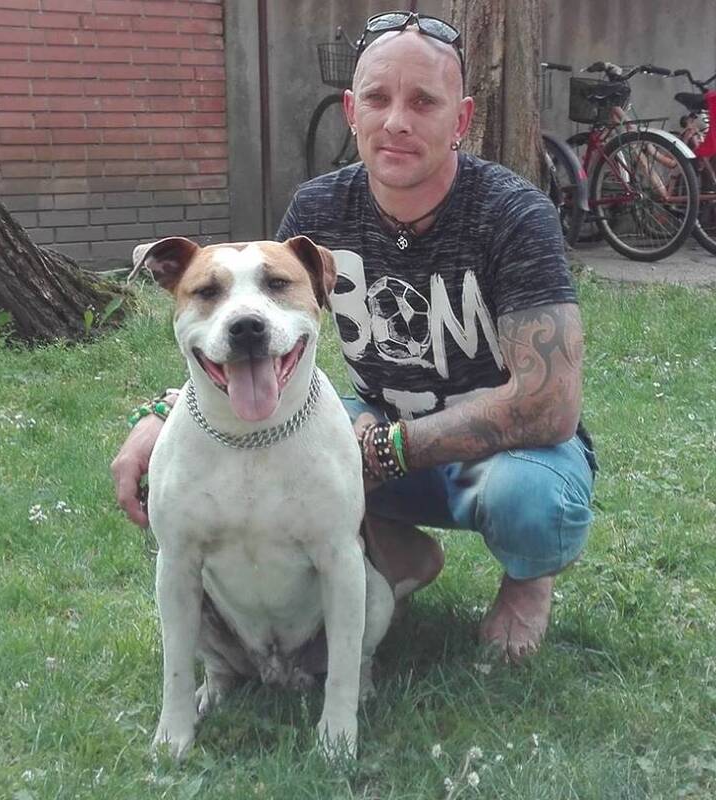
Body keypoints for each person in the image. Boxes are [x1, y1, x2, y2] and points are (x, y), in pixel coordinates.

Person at [111, 10, 596, 663]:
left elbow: (550, 403)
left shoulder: (513, 214)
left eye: (423, 101)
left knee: (529, 500)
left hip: (503, 451)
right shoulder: (317, 211)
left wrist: (389, 448)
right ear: (350, 110)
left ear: (461, 119)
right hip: (371, 427)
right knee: (264, 442)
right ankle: (396, 555)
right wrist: (160, 417)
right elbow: (260, 336)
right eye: (377, 98)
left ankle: (526, 581)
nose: (396, 120)